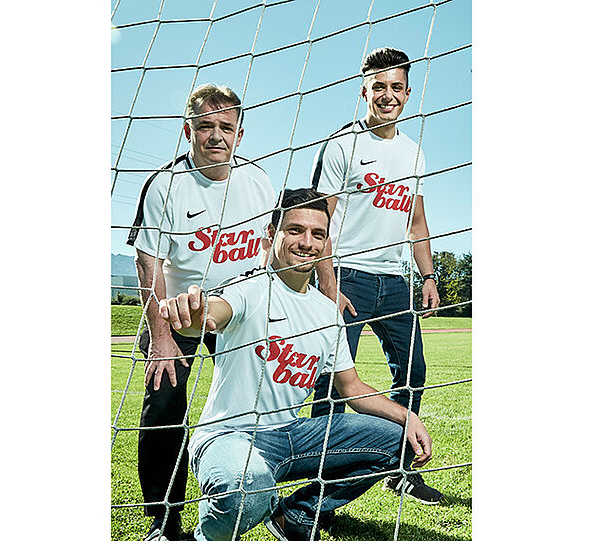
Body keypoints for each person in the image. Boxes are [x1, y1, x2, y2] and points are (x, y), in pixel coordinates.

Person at [157, 188, 433, 541]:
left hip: (290, 436)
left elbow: (351, 387)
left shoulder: (326, 313)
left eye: (318, 234)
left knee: (398, 442)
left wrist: (407, 416)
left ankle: (295, 517)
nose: (307, 242)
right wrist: (196, 313)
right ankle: (205, 537)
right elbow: (215, 311)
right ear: (271, 234)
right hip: (229, 437)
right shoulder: (250, 288)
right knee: (248, 486)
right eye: (295, 230)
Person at [127, 83, 276, 541]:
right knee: (164, 406)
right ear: (187, 130)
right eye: (206, 127)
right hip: (179, 314)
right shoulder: (165, 185)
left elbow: (270, 250)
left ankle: (266, 501)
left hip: (235, 311)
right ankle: (163, 519)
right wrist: (163, 339)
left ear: (240, 133)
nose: (217, 136)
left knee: (263, 401)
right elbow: (147, 262)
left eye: (226, 127)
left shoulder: (259, 182)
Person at [309, 47, 443, 504]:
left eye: (396, 87)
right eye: (378, 87)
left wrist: (428, 276)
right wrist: (328, 284)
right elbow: (319, 220)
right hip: (347, 277)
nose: (388, 95)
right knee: (329, 382)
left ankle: (404, 471)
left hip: (397, 282)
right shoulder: (342, 145)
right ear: (364, 91)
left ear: (408, 93)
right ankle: (320, 482)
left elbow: (417, 223)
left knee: (413, 373)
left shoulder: (414, 152)